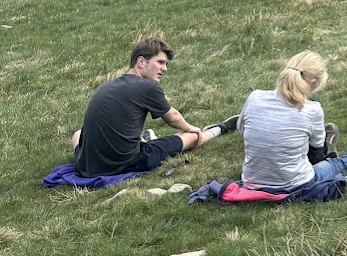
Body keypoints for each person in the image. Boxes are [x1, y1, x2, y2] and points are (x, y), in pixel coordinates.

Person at [73, 36, 237, 177]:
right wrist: (191, 128)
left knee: (77, 134)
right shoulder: (147, 87)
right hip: (124, 164)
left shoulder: (108, 85)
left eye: (166, 64)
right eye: (160, 62)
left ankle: (144, 141)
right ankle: (218, 129)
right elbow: (173, 118)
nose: (164, 69)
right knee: (193, 137)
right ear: (141, 61)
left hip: (86, 166)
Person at [237, 51, 347, 192]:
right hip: (295, 184)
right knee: (338, 164)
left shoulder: (254, 97)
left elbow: (241, 129)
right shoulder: (312, 109)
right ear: (314, 82)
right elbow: (316, 144)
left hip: (251, 182)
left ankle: (330, 149)